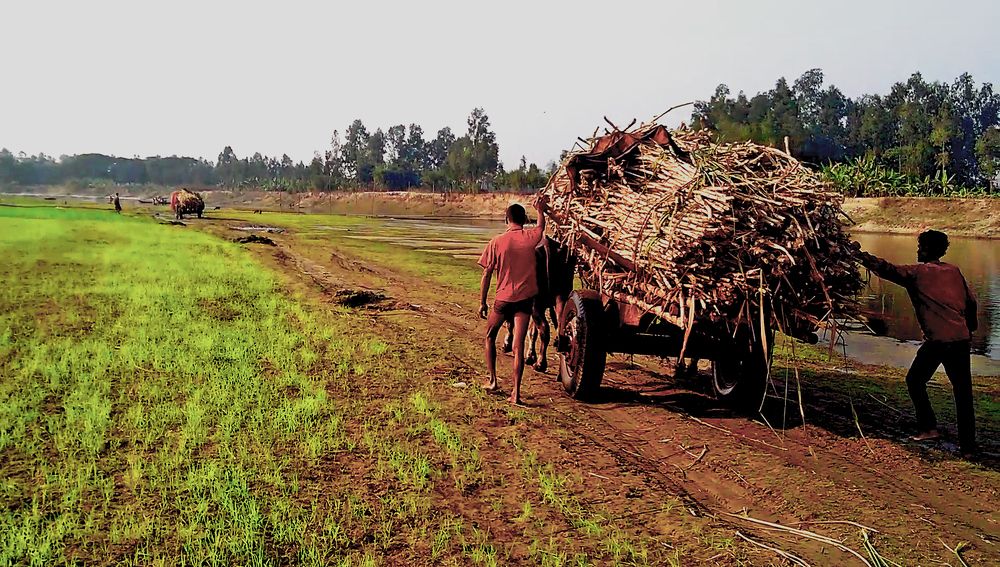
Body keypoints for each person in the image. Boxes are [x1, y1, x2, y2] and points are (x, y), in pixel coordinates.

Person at [856, 230, 978, 458]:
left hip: (939, 341)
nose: (918, 251)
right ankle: (968, 448)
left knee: (914, 380)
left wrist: (860, 256)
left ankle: (928, 428)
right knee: (963, 393)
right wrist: (970, 329)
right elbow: (971, 303)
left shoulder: (917, 273)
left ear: (928, 249)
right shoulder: (953, 271)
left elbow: (887, 269)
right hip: (960, 340)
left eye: (920, 247)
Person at [478, 195, 547, 405]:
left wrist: (482, 302)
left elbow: (486, 274)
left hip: (503, 299)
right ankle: (516, 393)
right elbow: (541, 227)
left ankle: (493, 381)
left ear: (506, 219)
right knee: (518, 347)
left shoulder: (496, 242)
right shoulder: (530, 237)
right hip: (524, 302)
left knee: (490, 336)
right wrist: (541, 209)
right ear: (524, 220)